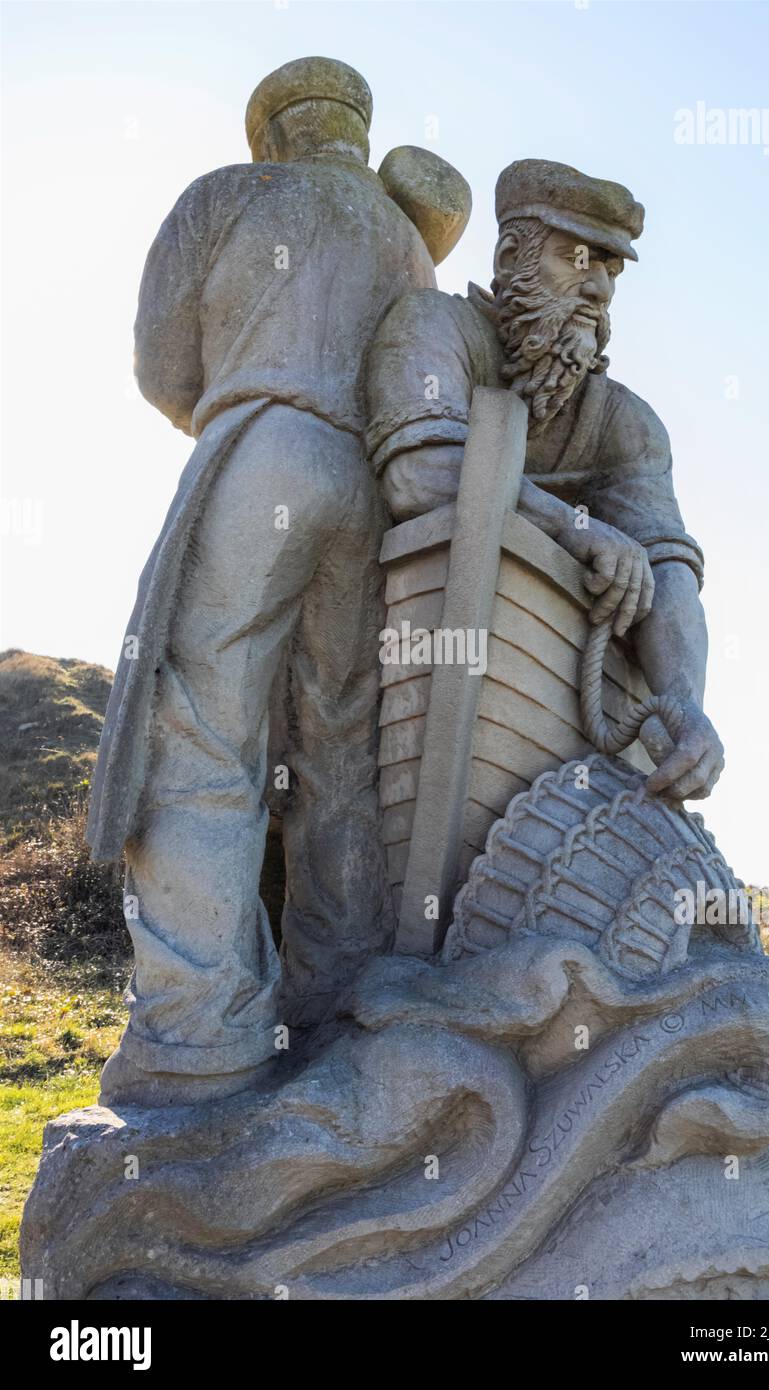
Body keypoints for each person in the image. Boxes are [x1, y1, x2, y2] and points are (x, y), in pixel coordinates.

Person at [88, 57, 466, 1105]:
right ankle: (334, 1005)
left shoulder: (225, 195)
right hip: (369, 486)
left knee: (202, 729)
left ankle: (197, 1030)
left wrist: (243, 396)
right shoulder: (403, 237)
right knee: (338, 751)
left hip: (264, 448)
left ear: (271, 132)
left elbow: (163, 367)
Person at [366, 158, 724, 802]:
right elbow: (419, 475)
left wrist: (682, 703)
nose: (601, 291)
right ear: (510, 255)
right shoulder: (432, 328)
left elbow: (669, 565)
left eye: (611, 271)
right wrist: (574, 529)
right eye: (579, 260)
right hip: (384, 661)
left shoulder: (625, 424)